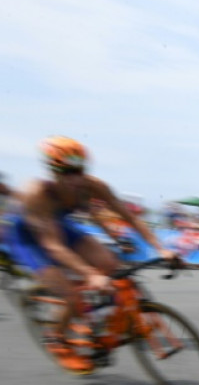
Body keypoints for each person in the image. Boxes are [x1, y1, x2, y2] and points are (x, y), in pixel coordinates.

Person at [6, 136, 177, 371]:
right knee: (73, 294)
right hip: (29, 238)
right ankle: (56, 338)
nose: (75, 179)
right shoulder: (39, 193)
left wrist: (161, 248)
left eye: (79, 170)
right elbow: (53, 246)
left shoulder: (94, 186)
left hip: (60, 226)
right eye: (67, 172)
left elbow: (131, 218)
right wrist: (89, 274)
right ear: (54, 172)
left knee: (110, 264)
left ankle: (102, 321)